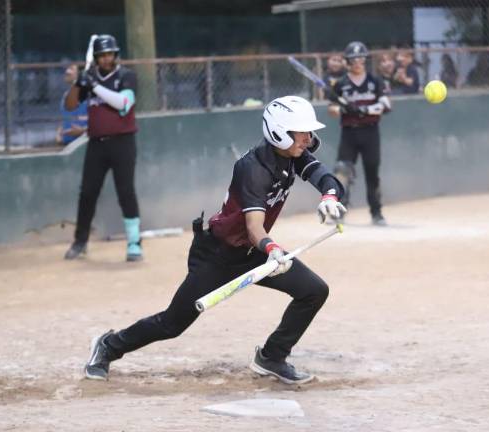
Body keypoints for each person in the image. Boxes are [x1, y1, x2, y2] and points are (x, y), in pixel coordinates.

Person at [83, 95, 347, 384]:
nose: (308, 138)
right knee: (173, 323)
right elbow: (254, 228)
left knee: (314, 291)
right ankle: (108, 346)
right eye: (301, 132)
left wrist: (329, 198)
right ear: (279, 132)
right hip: (218, 255)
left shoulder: (294, 156)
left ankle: (272, 357)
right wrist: (272, 248)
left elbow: (326, 179)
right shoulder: (253, 168)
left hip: (255, 252)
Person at [63, 34, 143, 262]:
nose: (107, 59)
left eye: (110, 54)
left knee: (125, 192)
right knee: (87, 193)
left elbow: (123, 104)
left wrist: (95, 86)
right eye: (102, 55)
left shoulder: (126, 76)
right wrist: (79, 83)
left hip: (123, 142)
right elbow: (70, 105)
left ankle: (134, 242)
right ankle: (80, 241)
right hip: (96, 144)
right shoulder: (89, 79)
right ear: (96, 58)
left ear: (116, 55)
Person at [328, 41, 391, 226]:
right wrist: (343, 109)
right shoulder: (341, 84)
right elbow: (332, 108)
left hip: (370, 132)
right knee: (342, 171)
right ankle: (339, 212)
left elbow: (386, 105)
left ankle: (376, 213)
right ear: (347, 61)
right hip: (349, 133)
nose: (357, 62)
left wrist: (366, 110)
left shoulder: (375, 82)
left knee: (372, 172)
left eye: (361, 58)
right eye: (353, 59)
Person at [56, 63, 87, 145]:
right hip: (66, 145)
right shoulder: (66, 95)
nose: (67, 71)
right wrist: (58, 134)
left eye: (71, 69)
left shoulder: (89, 95)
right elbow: (64, 118)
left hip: (83, 144)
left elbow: (98, 121)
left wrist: (82, 131)